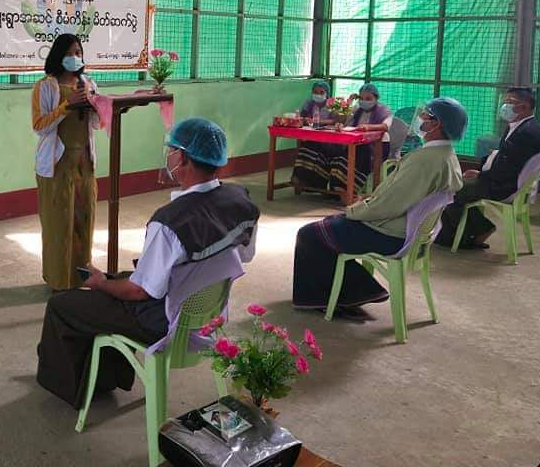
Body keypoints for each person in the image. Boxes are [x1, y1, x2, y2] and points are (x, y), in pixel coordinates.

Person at [36, 118, 259, 407]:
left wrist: (101, 283)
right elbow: (243, 255)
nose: (169, 156)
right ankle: (107, 377)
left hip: (163, 319)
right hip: (206, 310)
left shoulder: (169, 222)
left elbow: (140, 292)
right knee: (120, 278)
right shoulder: (241, 200)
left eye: (172, 149)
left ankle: (65, 385)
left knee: (63, 305)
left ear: (183, 158)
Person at [293, 98, 466, 320]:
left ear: (436, 124)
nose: (419, 119)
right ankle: (358, 291)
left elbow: (390, 205)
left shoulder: (424, 160)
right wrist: (368, 201)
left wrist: (354, 210)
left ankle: (334, 298)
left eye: (424, 115)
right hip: (408, 230)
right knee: (328, 226)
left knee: (310, 234)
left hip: (389, 233)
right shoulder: (447, 155)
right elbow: (400, 196)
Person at [436, 87, 540, 249]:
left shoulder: (525, 133)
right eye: (505, 101)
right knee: (457, 186)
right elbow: (506, 161)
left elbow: (506, 170)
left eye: (509, 102)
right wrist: (482, 171)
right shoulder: (524, 127)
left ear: (524, 107)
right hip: (509, 182)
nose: (504, 105)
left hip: (505, 187)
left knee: (452, 189)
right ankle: (459, 233)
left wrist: (481, 176)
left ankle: (476, 232)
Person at [32, 33, 101, 290]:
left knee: (84, 222)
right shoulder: (45, 86)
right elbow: (39, 126)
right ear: (58, 56)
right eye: (70, 53)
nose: (75, 57)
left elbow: (98, 124)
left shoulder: (88, 83)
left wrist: (96, 106)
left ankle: (81, 278)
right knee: (58, 225)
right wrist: (66, 106)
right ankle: (59, 282)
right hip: (57, 166)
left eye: (78, 52)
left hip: (85, 165)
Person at [293, 83, 392, 195]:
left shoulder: (383, 110)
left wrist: (368, 127)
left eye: (368, 99)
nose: (364, 101)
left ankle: (343, 189)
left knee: (354, 154)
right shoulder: (357, 110)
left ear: (376, 98)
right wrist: (340, 126)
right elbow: (346, 124)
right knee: (313, 145)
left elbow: (385, 126)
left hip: (375, 147)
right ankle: (308, 181)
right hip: (354, 143)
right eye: (361, 98)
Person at [292, 80, 337, 188]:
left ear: (327, 93)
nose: (318, 95)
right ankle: (299, 178)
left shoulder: (332, 105)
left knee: (311, 146)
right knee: (306, 147)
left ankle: (312, 182)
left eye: (321, 92)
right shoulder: (309, 104)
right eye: (315, 92)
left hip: (327, 140)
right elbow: (302, 118)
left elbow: (334, 120)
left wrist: (318, 121)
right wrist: (305, 120)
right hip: (311, 137)